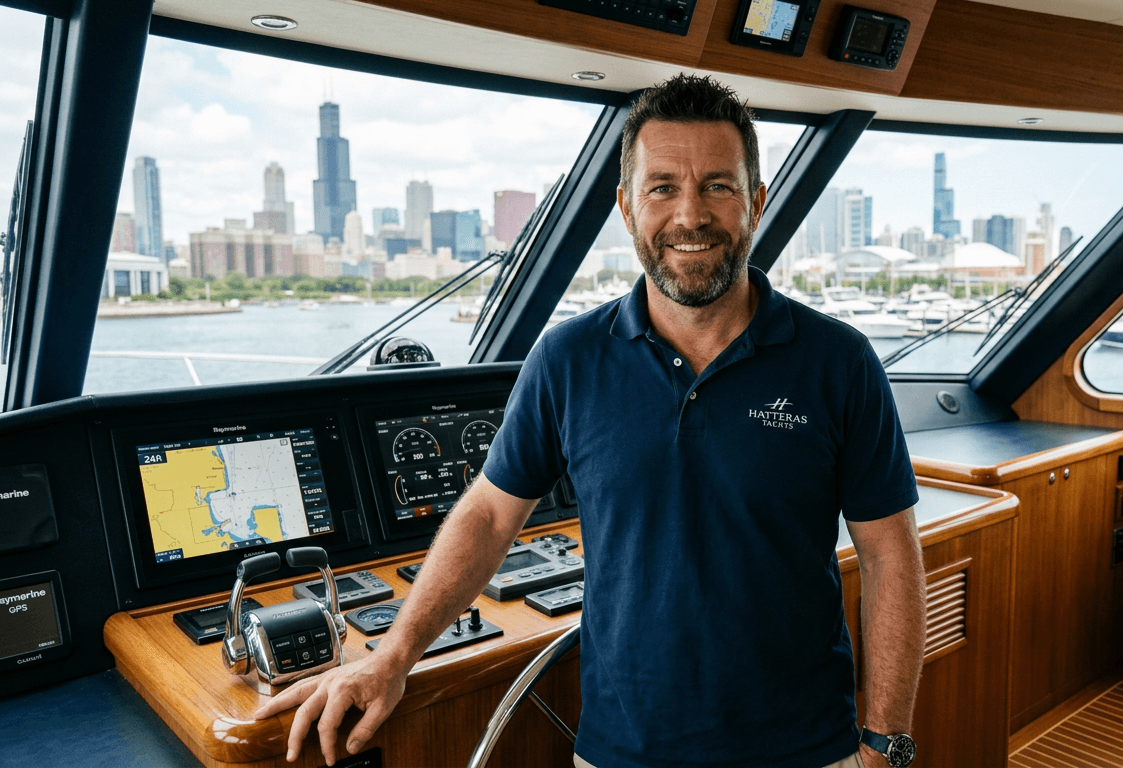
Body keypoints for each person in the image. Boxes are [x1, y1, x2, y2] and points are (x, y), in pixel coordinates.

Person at [257, 73, 926, 768]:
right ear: (627, 209)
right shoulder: (566, 360)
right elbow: (489, 515)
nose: (690, 215)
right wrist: (393, 653)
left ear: (756, 201)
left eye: (718, 186)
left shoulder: (837, 361)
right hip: (623, 750)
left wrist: (884, 744)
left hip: (805, 748)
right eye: (662, 187)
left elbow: (889, 554)